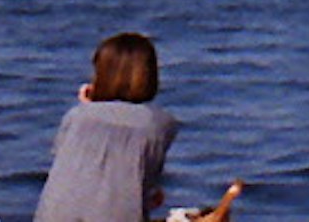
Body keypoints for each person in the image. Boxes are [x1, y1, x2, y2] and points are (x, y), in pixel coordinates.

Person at [32, 31, 240, 222]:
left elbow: (72, 166)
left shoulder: (76, 116)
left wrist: (87, 107)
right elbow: (148, 187)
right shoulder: (159, 123)